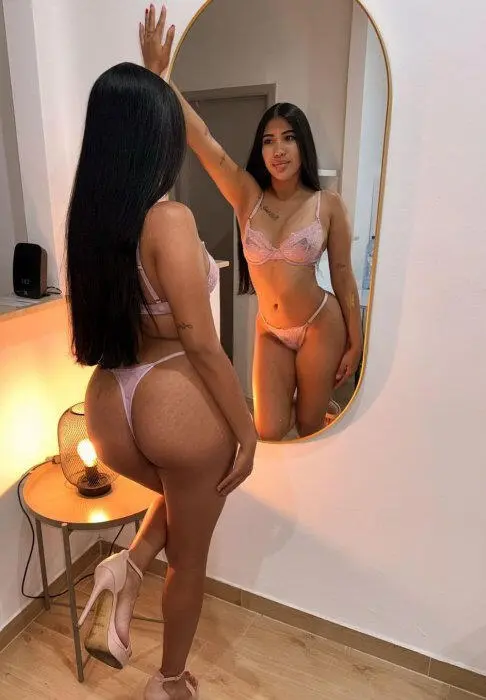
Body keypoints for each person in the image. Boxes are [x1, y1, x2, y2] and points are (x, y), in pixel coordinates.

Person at [66, 59, 257, 699]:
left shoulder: (94, 221)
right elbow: (200, 340)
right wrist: (246, 428)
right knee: (191, 560)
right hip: (170, 397)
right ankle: (169, 683)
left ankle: (126, 566)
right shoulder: (168, 219)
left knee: (180, 496)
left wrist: (155, 75)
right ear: (156, 136)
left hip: (108, 401)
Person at [140, 5, 363, 441]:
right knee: (268, 429)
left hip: (321, 323)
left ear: (303, 146)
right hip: (270, 330)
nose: (278, 150)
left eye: (289, 139)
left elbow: (343, 276)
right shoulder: (247, 195)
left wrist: (355, 341)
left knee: (310, 428)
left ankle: (316, 419)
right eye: (268, 141)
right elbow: (202, 139)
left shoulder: (327, 204)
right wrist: (159, 76)